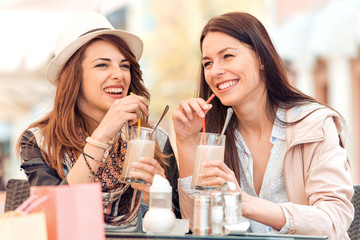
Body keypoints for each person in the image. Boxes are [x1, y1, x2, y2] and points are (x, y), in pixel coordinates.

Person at [172, 12, 354, 239]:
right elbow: (195, 225)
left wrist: (242, 202)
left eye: (227, 56)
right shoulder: (213, 135)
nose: (215, 71)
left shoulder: (313, 123)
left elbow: (333, 219)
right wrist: (186, 141)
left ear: (261, 58)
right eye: (207, 63)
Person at [17, 12, 180, 232]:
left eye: (124, 66)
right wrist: (102, 134)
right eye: (102, 65)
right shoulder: (40, 141)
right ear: (73, 77)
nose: (119, 75)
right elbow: (52, 220)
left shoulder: (154, 138)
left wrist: (160, 199)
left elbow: (182, 227)